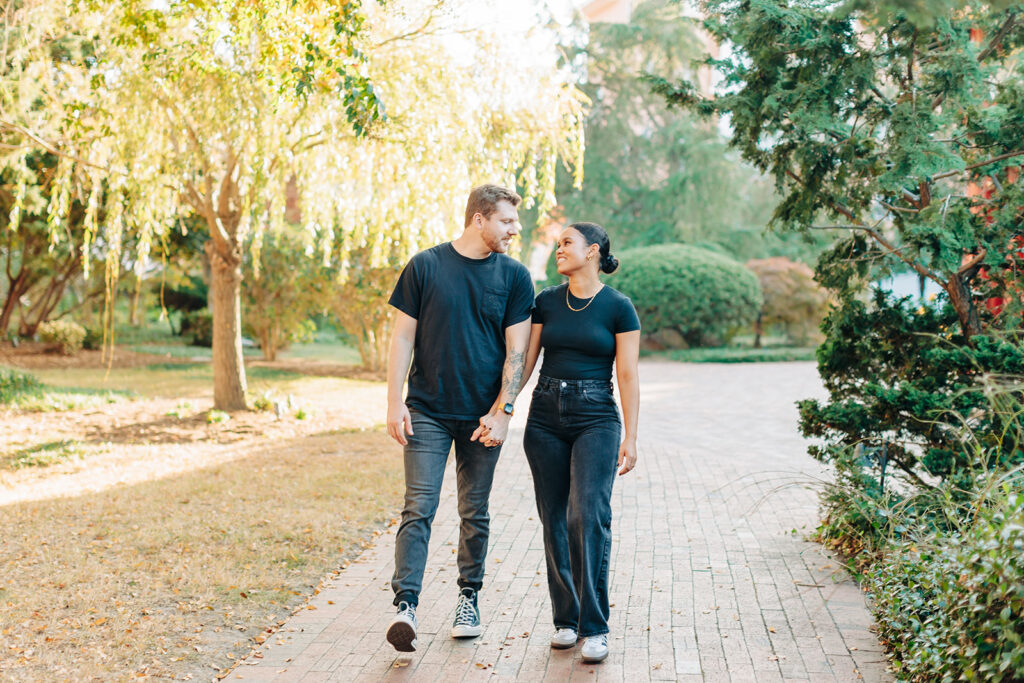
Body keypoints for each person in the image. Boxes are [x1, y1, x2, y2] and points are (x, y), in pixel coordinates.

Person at [383, 184, 534, 652]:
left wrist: (503, 412)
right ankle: (406, 606)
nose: (515, 229)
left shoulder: (514, 276)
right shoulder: (425, 266)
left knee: (475, 512)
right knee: (419, 507)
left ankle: (468, 598)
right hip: (426, 409)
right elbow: (402, 339)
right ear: (479, 219)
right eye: (507, 221)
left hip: (481, 419)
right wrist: (394, 401)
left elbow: (518, 352)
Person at [520, 221, 640, 664]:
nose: (559, 250)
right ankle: (565, 620)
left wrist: (632, 435)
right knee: (553, 518)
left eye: (567, 243)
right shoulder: (547, 302)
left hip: (596, 418)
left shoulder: (619, 308)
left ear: (593, 252)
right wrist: (503, 408)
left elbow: (627, 374)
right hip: (545, 416)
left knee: (585, 514)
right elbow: (526, 362)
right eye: (557, 244)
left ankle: (595, 626)